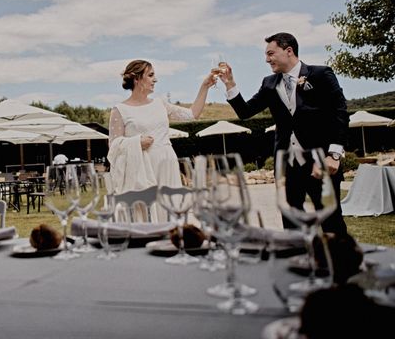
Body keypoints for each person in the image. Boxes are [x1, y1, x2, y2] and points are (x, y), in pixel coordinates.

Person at [220, 32, 348, 235]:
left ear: (289, 51)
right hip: (288, 165)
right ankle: (296, 263)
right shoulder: (269, 84)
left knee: (331, 220)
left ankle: (341, 263)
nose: (267, 59)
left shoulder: (321, 74)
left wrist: (333, 154)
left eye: (271, 53)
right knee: (291, 223)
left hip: (321, 162)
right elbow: (245, 112)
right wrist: (229, 83)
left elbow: (340, 113)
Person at [107, 59, 215, 199]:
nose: (155, 79)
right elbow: (113, 146)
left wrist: (204, 87)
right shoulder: (120, 110)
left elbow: (192, 114)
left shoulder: (160, 104)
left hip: (167, 164)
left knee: (170, 207)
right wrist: (136, 143)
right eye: (150, 75)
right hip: (142, 170)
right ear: (136, 78)